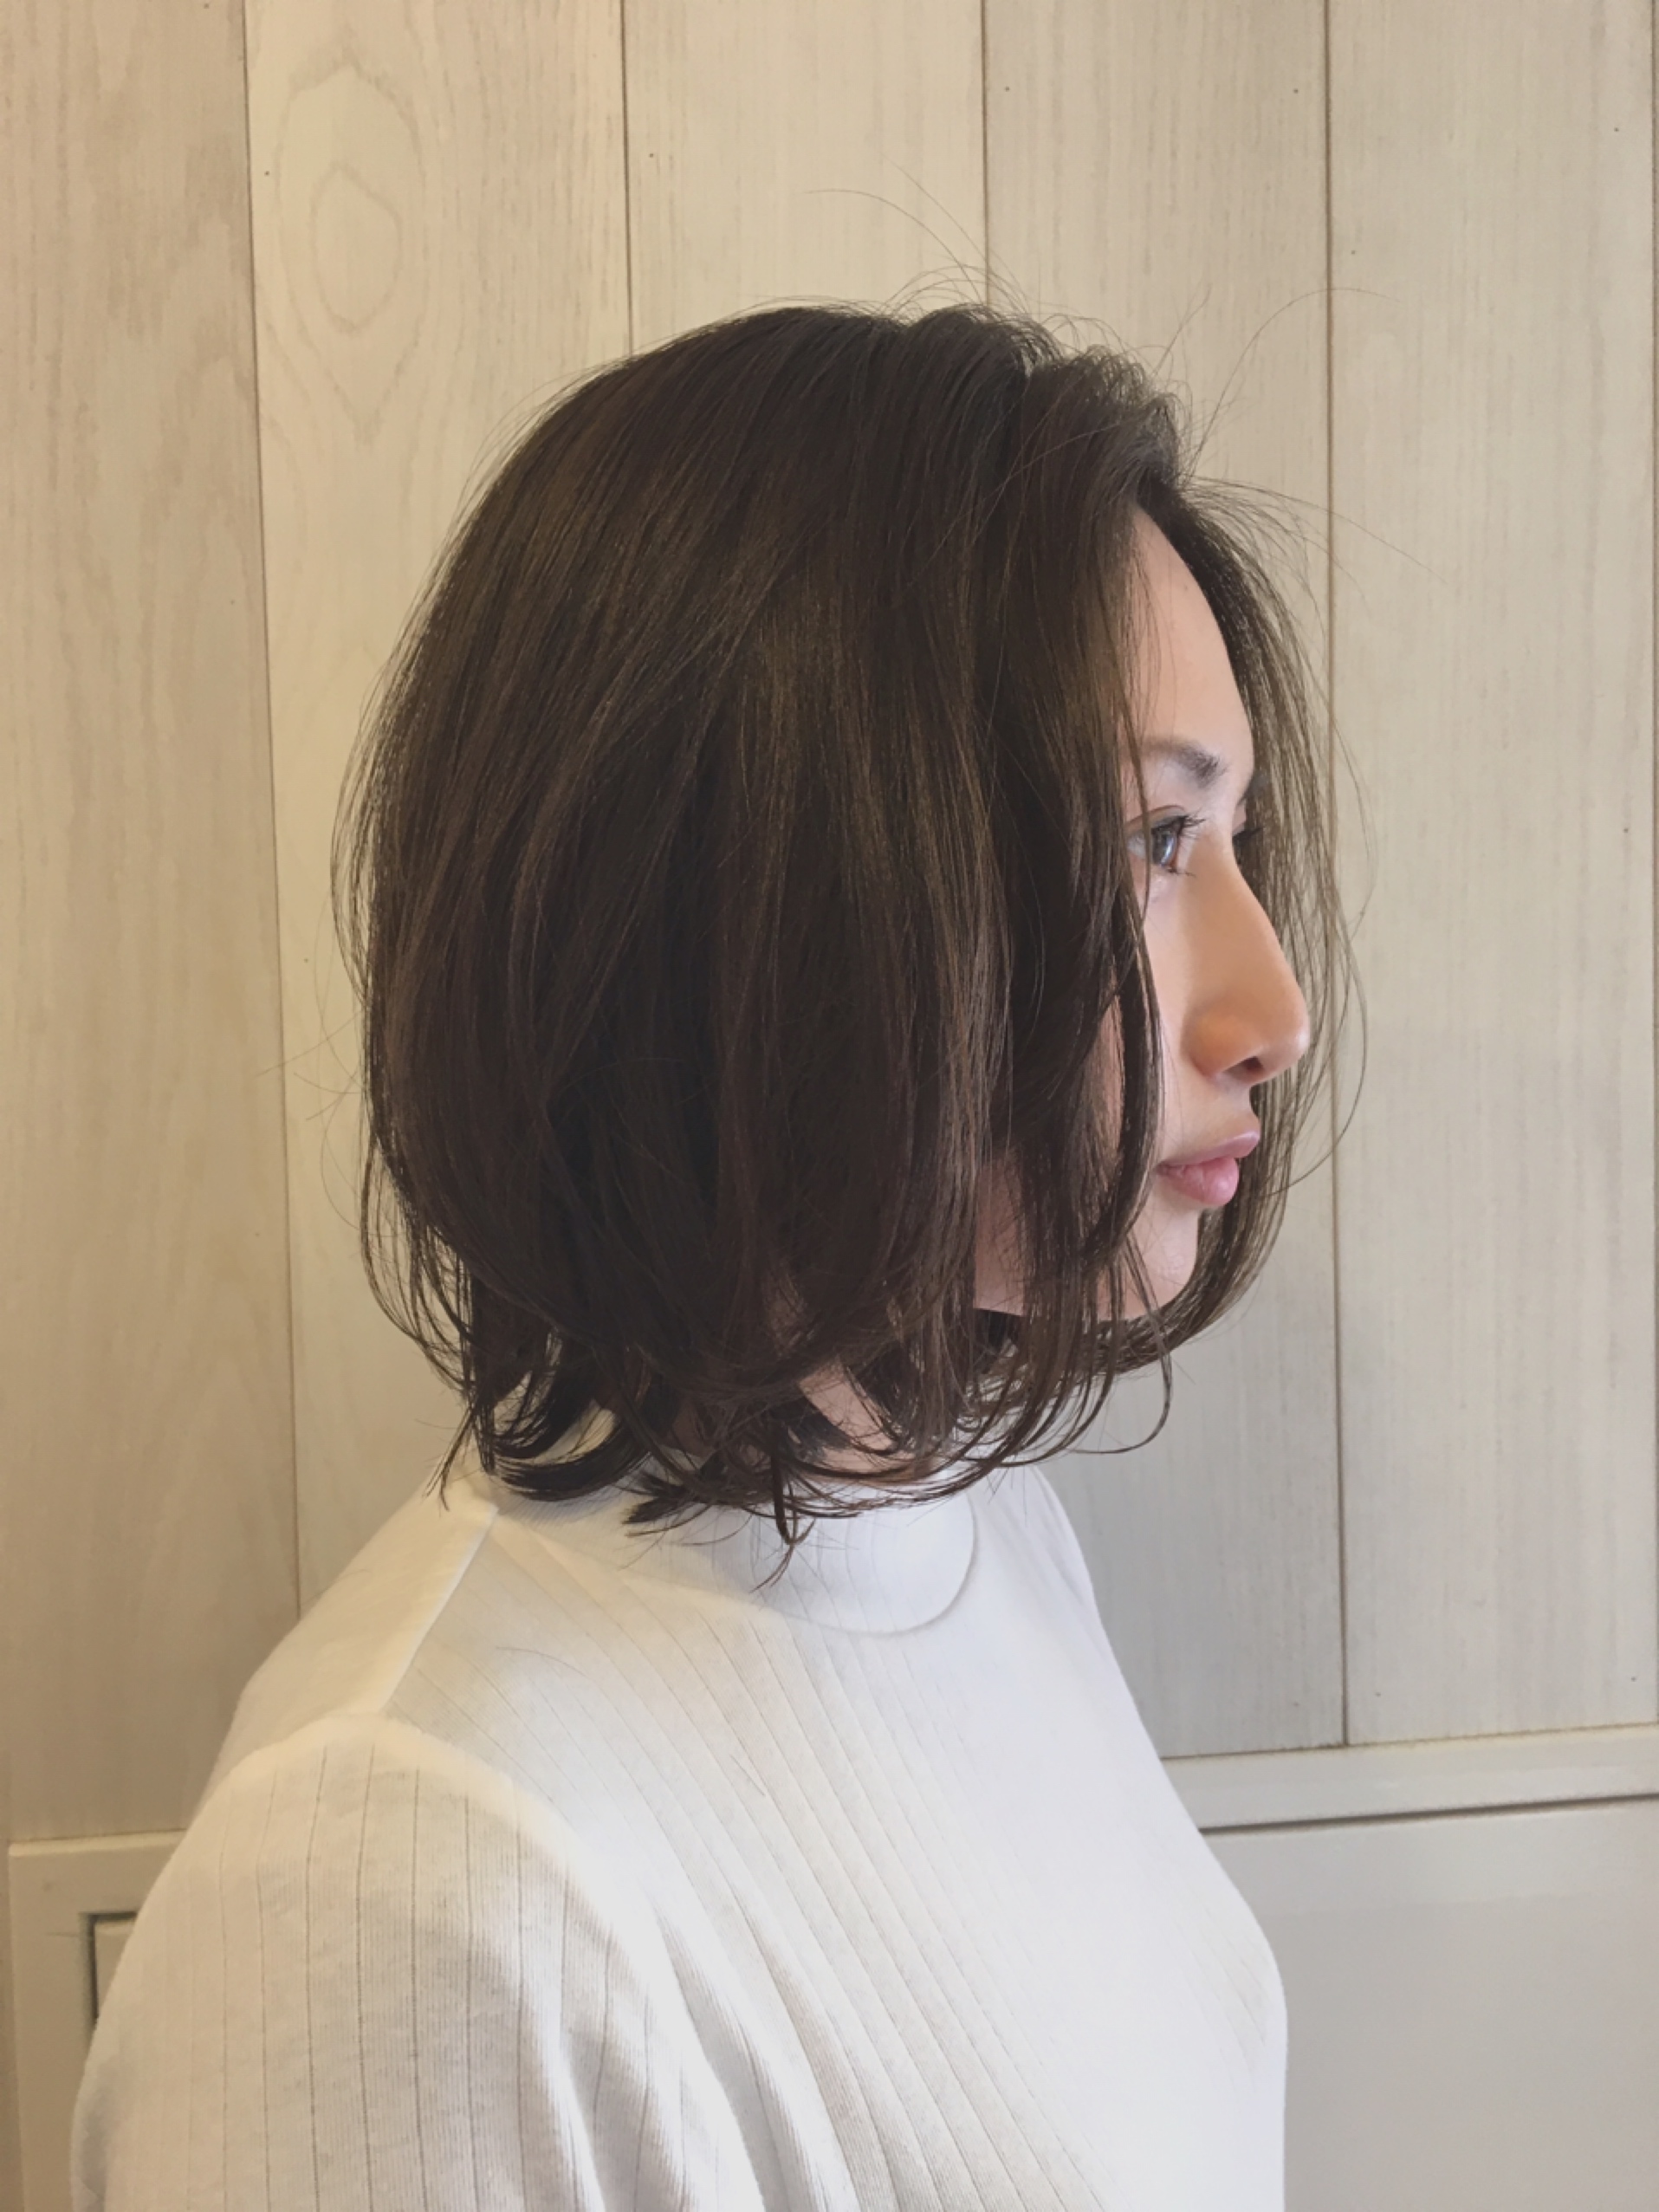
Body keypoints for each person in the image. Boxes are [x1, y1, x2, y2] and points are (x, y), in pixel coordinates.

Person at [72, 300, 1345, 2210]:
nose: (1274, 1006)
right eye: (1155, 842)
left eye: (1230, 831)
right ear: (769, 889)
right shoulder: (394, 1880)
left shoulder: (975, 1530)